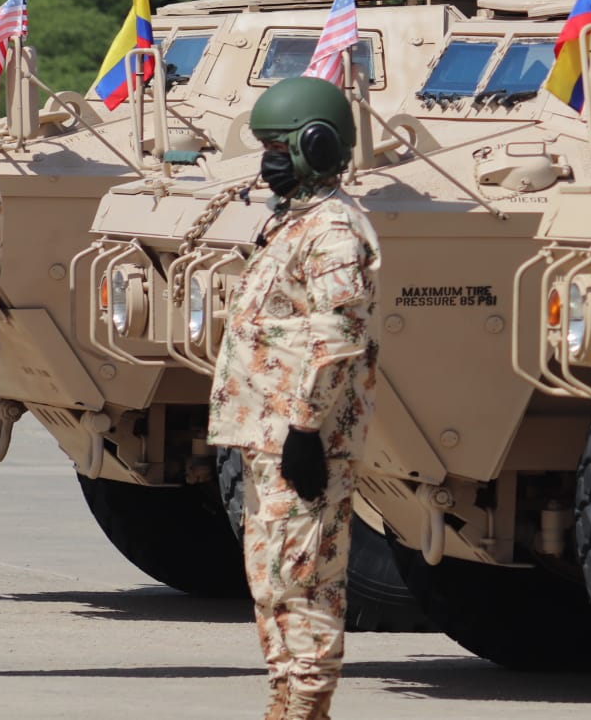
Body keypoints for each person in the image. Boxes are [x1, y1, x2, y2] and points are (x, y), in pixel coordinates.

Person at [208, 76, 381, 720]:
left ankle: (305, 707)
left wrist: (306, 431)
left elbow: (338, 336)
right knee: (272, 579)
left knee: (306, 582)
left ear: (317, 145)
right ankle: (284, 700)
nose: (267, 161)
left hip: (306, 439)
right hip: (267, 436)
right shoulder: (291, 223)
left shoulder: (335, 229)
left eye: (279, 147)